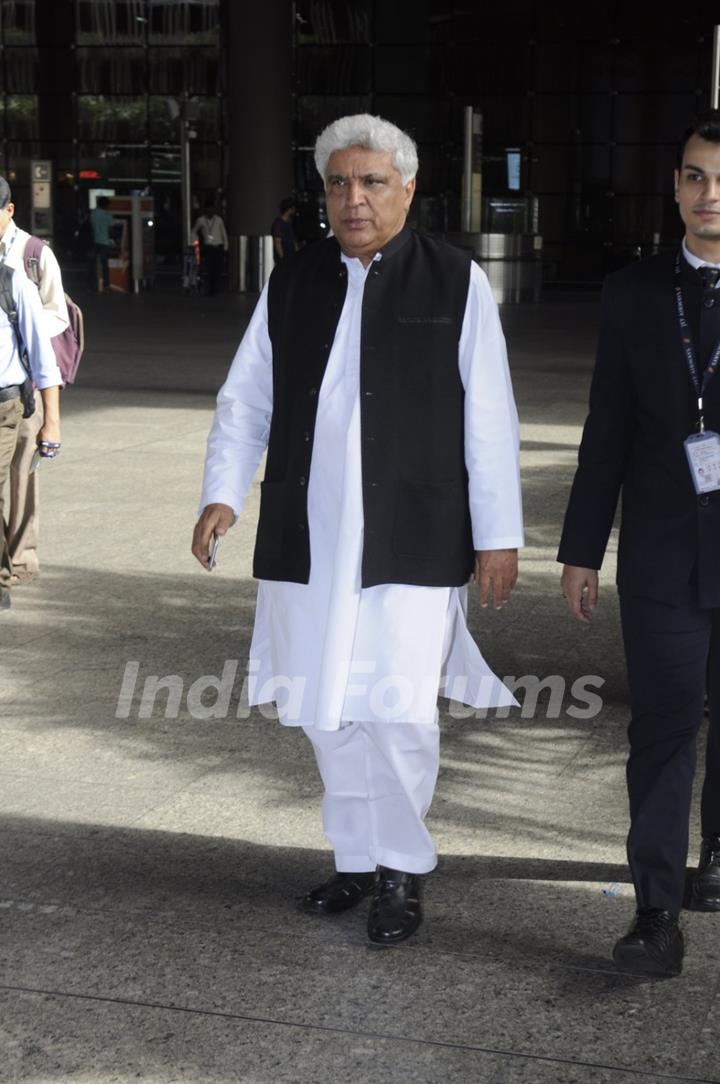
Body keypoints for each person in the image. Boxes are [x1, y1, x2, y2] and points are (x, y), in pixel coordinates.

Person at [192, 114, 523, 944]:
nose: (354, 199)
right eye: (339, 183)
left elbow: (489, 417)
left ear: (408, 189)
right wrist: (222, 494)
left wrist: (499, 535)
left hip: (413, 537)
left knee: (401, 710)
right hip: (308, 539)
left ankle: (402, 876)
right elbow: (245, 401)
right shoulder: (293, 281)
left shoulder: (454, 282)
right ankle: (355, 861)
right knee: (321, 708)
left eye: (373, 182)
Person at [559, 110, 720, 977]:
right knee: (662, 729)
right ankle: (656, 912)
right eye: (694, 176)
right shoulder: (633, 293)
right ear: (675, 187)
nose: (710, 194)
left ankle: (717, 853)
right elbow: (606, 430)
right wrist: (582, 547)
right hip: (663, 551)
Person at [0, 177, 70, 584]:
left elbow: (58, 313)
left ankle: (22, 556)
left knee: (24, 472)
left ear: (10, 211)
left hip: (24, 385)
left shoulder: (34, 253)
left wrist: (19, 324)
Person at [191, 202, 228, 295]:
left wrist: (226, 246)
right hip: (208, 247)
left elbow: (223, 232)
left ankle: (216, 289)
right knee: (209, 269)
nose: (210, 212)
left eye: (212, 210)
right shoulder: (201, 220)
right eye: (209, 210)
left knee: (217, 269)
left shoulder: (218, 220)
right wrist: (195, 242)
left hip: (218, 246)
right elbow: (194, 231)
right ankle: (210, 289)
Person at [90, 196, 117, 293]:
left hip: (95, 242)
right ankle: (106, 286)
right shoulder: (107, 215)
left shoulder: (93, 213)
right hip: (105, 242)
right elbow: (112, 229)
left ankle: (93, 285)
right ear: (106, 205)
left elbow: (92, 227)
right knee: (105, 265)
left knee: (93, 264)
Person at [271, 197, 298, 261]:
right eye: (293, 208)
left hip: (290, 257)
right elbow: (277, 242)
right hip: (284, 259)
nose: (295, 210)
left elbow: (292, 239)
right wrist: (283, 258)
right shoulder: (279, 223)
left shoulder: (289, 222)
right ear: (289, 209)